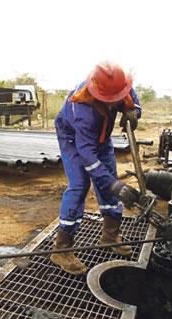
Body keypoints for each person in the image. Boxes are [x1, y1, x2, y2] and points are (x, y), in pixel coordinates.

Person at [52, 62, 142, 275]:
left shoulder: (119, 84)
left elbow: (131, 99)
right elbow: (88, 158)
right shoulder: (83, 109)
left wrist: (134, 112)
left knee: (109, 175)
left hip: (102, 136)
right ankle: (62, 248)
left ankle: (110, 235)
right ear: (98, 94)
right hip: (74, 139)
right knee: (80, 184)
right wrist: (115, 186)